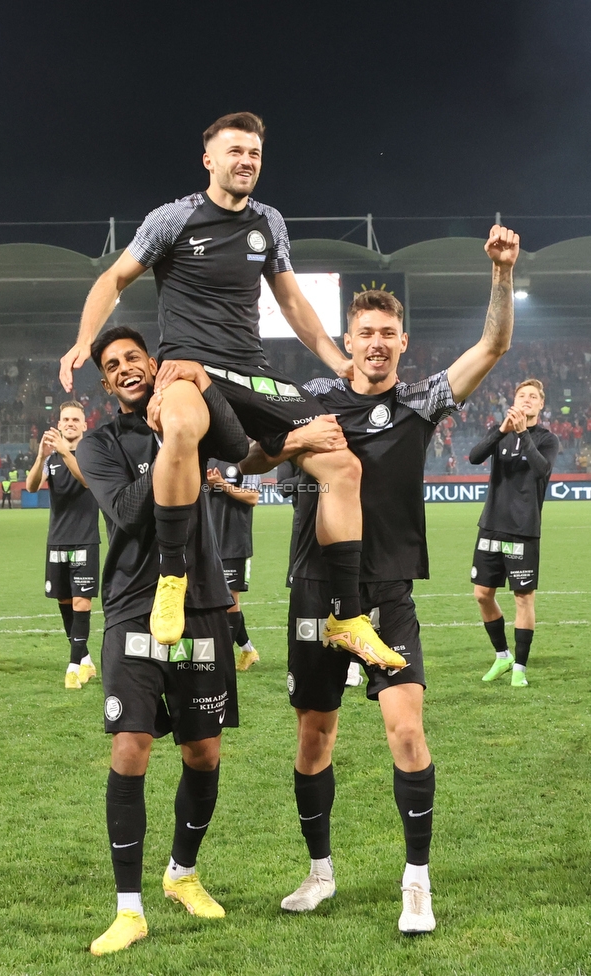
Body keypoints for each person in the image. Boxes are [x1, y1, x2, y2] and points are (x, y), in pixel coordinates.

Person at [241, 224, 519, 932]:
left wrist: (500, 274)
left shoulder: (422, 402)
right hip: (315, 591)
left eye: (387, 333)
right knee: (314, 740)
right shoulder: (313, 396)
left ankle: (416, 883)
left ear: (401, 342)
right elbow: (249, 458)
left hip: (389, 592)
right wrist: (292, 441)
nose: (375, 342)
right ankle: (319, 872)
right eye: (364, 331)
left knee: (406, 733)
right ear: (350, 338)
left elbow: (492, 348)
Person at [59, 110, 405, 675]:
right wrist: (82, 341)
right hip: (186, 370)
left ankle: (346, 614)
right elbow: (112, 280)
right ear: (210, 160)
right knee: (183, 425)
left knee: (341, 460)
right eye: (236, 152)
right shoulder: (171, 219)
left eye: (255, 154)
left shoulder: (268, 223)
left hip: (250, 372)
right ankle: (173, 575)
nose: (247, 161)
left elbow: (292, 303)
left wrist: (338, 358)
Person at [76, 325, 247, 956]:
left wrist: (196, 392)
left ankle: (182, 873)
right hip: (131, 606)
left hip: (201, 601)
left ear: (152, 363)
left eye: (132, 358)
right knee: (131, 748)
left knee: (204, 754)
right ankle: (128, 910)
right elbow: (122, 509)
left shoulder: (188, 412)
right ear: (105, 381)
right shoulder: (99, 444)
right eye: (112, 364)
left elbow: (239, 443)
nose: (124, 368)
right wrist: (173, 450)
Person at [470, 378, 559, 687]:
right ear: (513, 400)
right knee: (482, 595)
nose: (527, 400)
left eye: (533, 396)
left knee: (523, 598)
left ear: (541, 404)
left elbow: (541, 469)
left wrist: (522, 432)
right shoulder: (501, 433)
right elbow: (474, 456)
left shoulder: (547, 439)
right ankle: (502, 655)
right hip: (491, 525)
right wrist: (502, 430)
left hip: (522, 531)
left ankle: (519, 667)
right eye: (522, 395)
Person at [25, 400, 100, 689]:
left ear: (84, 425)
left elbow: (85, 480)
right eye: (65, 419)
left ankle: (73, 667)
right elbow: (32, 487)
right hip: (56, 540)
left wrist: (64, 451)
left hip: (85, 540)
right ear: (58, 424)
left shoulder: (91, 454)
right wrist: (41, 456)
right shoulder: (51, 458)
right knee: (65, 602)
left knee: (82, 602)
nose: (69, 423)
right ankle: (87, 662)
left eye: (75, 419)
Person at [206, 458, 261, 670]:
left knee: (229, 600)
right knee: (216, 599)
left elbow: (252, 496)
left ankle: (221, 659)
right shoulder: (206, 455)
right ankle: (248, 650)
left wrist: (222, 484)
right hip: (207, 539)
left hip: (234, 539)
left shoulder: (246, 459)